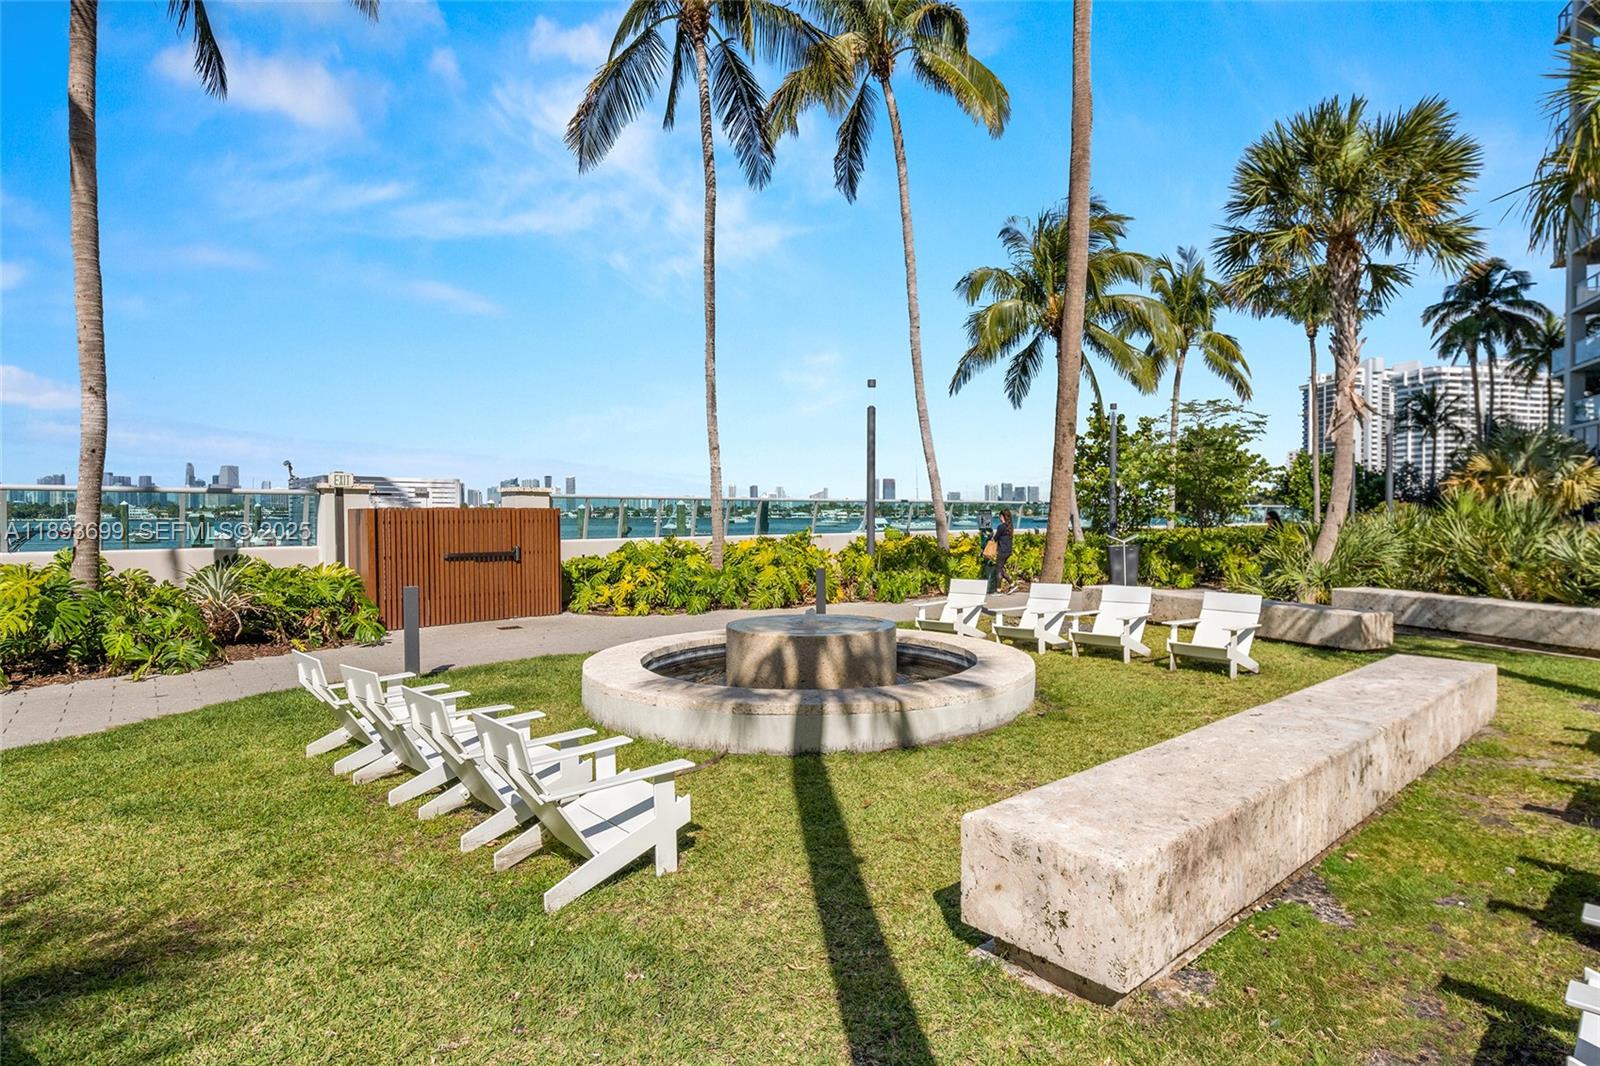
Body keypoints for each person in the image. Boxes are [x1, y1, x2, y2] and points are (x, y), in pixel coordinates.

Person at [990, 508, 1014, 593]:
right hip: (1008, 551)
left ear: (1002, 516)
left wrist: (990, 536)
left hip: (1002, 551)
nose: (999, 518)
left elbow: (995, 538)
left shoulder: (1001, 527)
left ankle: (998, 590)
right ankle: (1012, 584)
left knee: (998, 571)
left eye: (1000, 516)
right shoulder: (1010, 526)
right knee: (1000, 568)